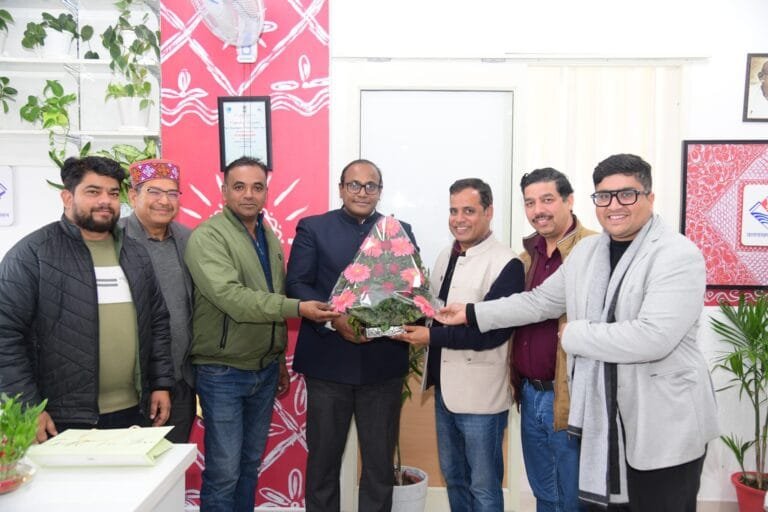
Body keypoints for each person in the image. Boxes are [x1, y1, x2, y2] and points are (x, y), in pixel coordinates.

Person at [437, 154, 719, 512]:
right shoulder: (588, 252)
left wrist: (575, 336)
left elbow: (653, 337)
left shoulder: (677, 254)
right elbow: (539, 301)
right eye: (604, 196)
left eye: (626, 194)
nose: (613, 206)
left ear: (650, 197)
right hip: (605, 416)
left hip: (663, 420)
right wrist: (472, 312)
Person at [183, 156, 338, 512]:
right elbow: (233, 299)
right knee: (224, 472)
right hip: (222, 371)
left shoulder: (266, 235)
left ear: (267, 192)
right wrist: (299, 308)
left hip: (264, 369)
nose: (249, 195)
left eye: (257, 187)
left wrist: (278, 357)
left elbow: (272, 293)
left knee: (249, 465)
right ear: (224, 191)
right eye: (239, 187)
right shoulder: (208, 237)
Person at [0, 156, 174, 442]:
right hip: (60, 418)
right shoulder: (32, 255)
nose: (105, 201)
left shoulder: (135, 254)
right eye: (93, 191)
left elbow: (157, 323)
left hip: (134, 412)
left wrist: (161, 384)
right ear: (67, 197)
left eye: (113, 193)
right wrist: (28, 406)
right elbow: (5, 336)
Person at [286, 159, 417, 512]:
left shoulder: (398, 230)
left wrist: (390, 319)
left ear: (380, 191)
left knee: (379, 467)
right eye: (354, 185)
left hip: (383, 364)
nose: (362, 192)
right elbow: (296, 283)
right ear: (341, 189)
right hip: (328, 365)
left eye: (370, 185)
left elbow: (411, 288)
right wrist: (335, 318)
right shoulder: (314, 228)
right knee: (323, 464)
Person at [394, 178, 525, 510]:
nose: (459, 219)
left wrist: (429, 336)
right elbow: (434, 312)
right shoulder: (446, 255)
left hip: (480, 398)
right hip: (444, 391)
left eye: (469, 210)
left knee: (483, 487)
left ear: (489, 212)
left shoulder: (507, 263)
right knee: (454, 478)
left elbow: (491, 334)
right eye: (453, 211)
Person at [514, 168, 595, 511]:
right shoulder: (526, 256)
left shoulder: (593, 250)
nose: (538, 210)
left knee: (572, 497)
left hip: (568, 397)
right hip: (529, 394)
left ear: (569, 200)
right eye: (530, 203)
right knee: (544, 492)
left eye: (547, 200)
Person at [120, 158, 195, 443]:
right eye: (154, 191)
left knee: (172, 462)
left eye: (172, 193)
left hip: (181, 381)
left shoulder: (189, 239)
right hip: (131, 385)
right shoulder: (113, 239)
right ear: (133, 195)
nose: (164, 201)